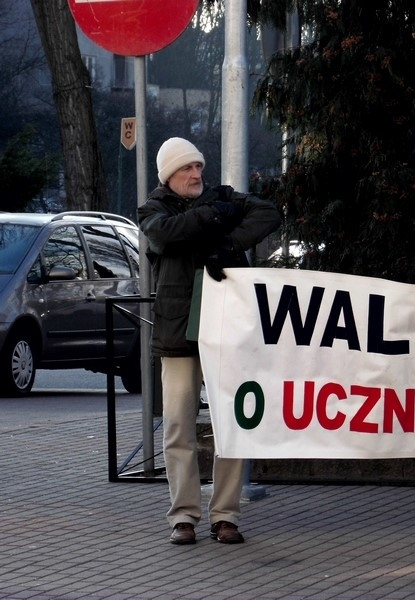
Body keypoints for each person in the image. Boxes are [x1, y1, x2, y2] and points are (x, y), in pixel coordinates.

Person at [137, 137, 282, 544]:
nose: (197, 174)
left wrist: (229, 242)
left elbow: (270, 212)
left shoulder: (222, 198)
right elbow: (164, 236)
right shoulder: (154, 209)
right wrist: (215, 215)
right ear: (169, 174)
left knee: (231, 425)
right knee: (179, 427)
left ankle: (226, 515)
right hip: (177, 332)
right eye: (188, 169)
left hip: (227, 332)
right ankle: (183, 516)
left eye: (199, 167)